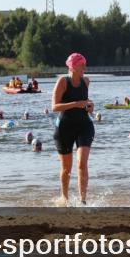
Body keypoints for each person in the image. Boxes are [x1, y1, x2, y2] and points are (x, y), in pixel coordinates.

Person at [52, 52, 95, 205]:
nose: (85, 67)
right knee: (66, 169)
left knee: (82, 163)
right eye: (82, 64)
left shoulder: (86, 81)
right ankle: (64, 197)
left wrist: (90, 107)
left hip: (84, 125)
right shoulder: (63, 81)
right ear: (74, 66)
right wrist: (76, 104)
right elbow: (54, 106)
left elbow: (86, 102)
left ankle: (83, 200)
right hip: (64, 128)